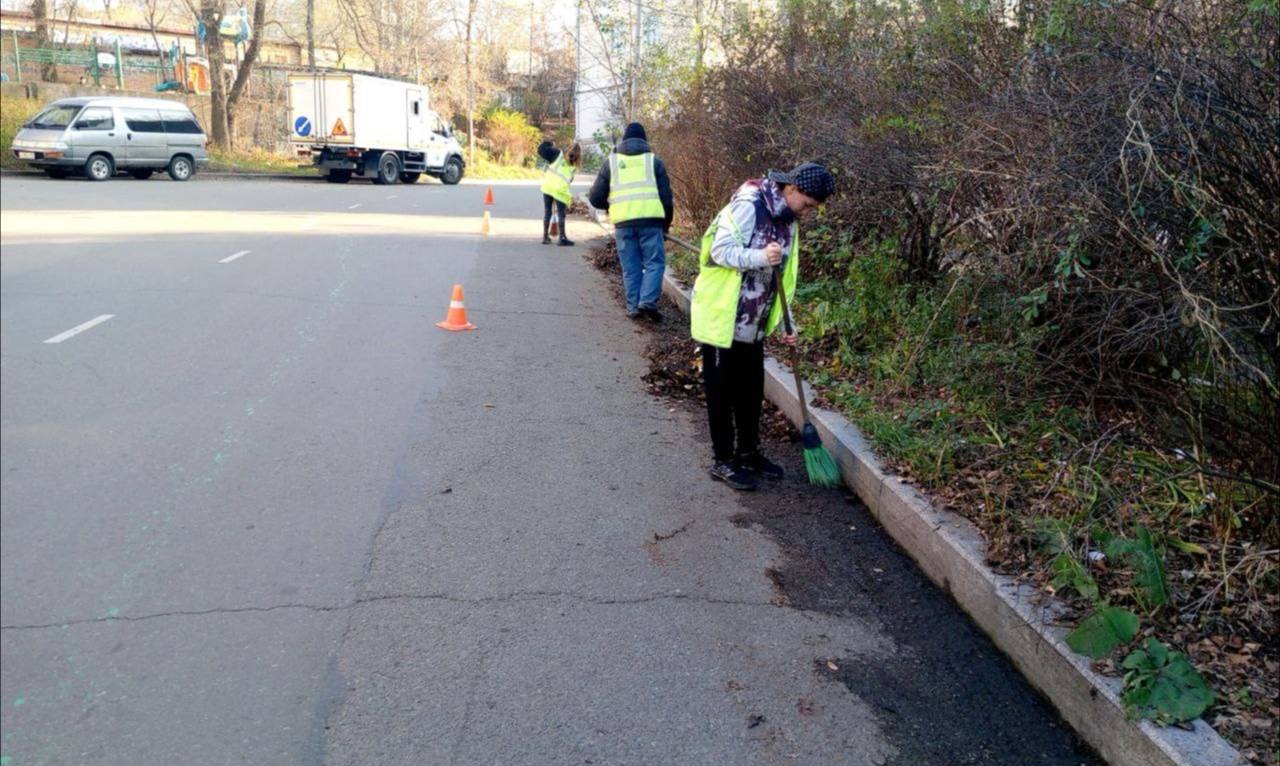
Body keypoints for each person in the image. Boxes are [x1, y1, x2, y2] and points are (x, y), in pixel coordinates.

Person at [690, 162, 836, 491]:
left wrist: (786, 321)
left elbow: (782, 277)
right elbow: (718, 252)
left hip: (753, 321)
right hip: (722, 317)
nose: (808, 212)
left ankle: (748, 452)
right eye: (808, 204)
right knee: (721, 392)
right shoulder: (749, 205)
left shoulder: (789, 221)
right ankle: (723, 461)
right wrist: (759, 256)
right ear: (792, 189)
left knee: (751, 390)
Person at [588, 122, 674, 322]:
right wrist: (666, 225)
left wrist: (611, 207)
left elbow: (595, 198)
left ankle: (633, 307)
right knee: (654, 263)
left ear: (623, 140)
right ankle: (648, 301)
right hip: (651, 223)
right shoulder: (654, 162)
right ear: (645, 141)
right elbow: (667, 199)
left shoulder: (611, 163)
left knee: (631, 266)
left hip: (624, 225)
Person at [538, 140, 581, 246]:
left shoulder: (557, 154)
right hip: (560, 192)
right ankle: (562, 238)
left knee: (547, 212)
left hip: (548, 187)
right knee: (561, 214)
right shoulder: (574, 167)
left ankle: (545, 237)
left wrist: (550, 143)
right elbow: (569, 181)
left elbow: (540, 150)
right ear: (579, 155)